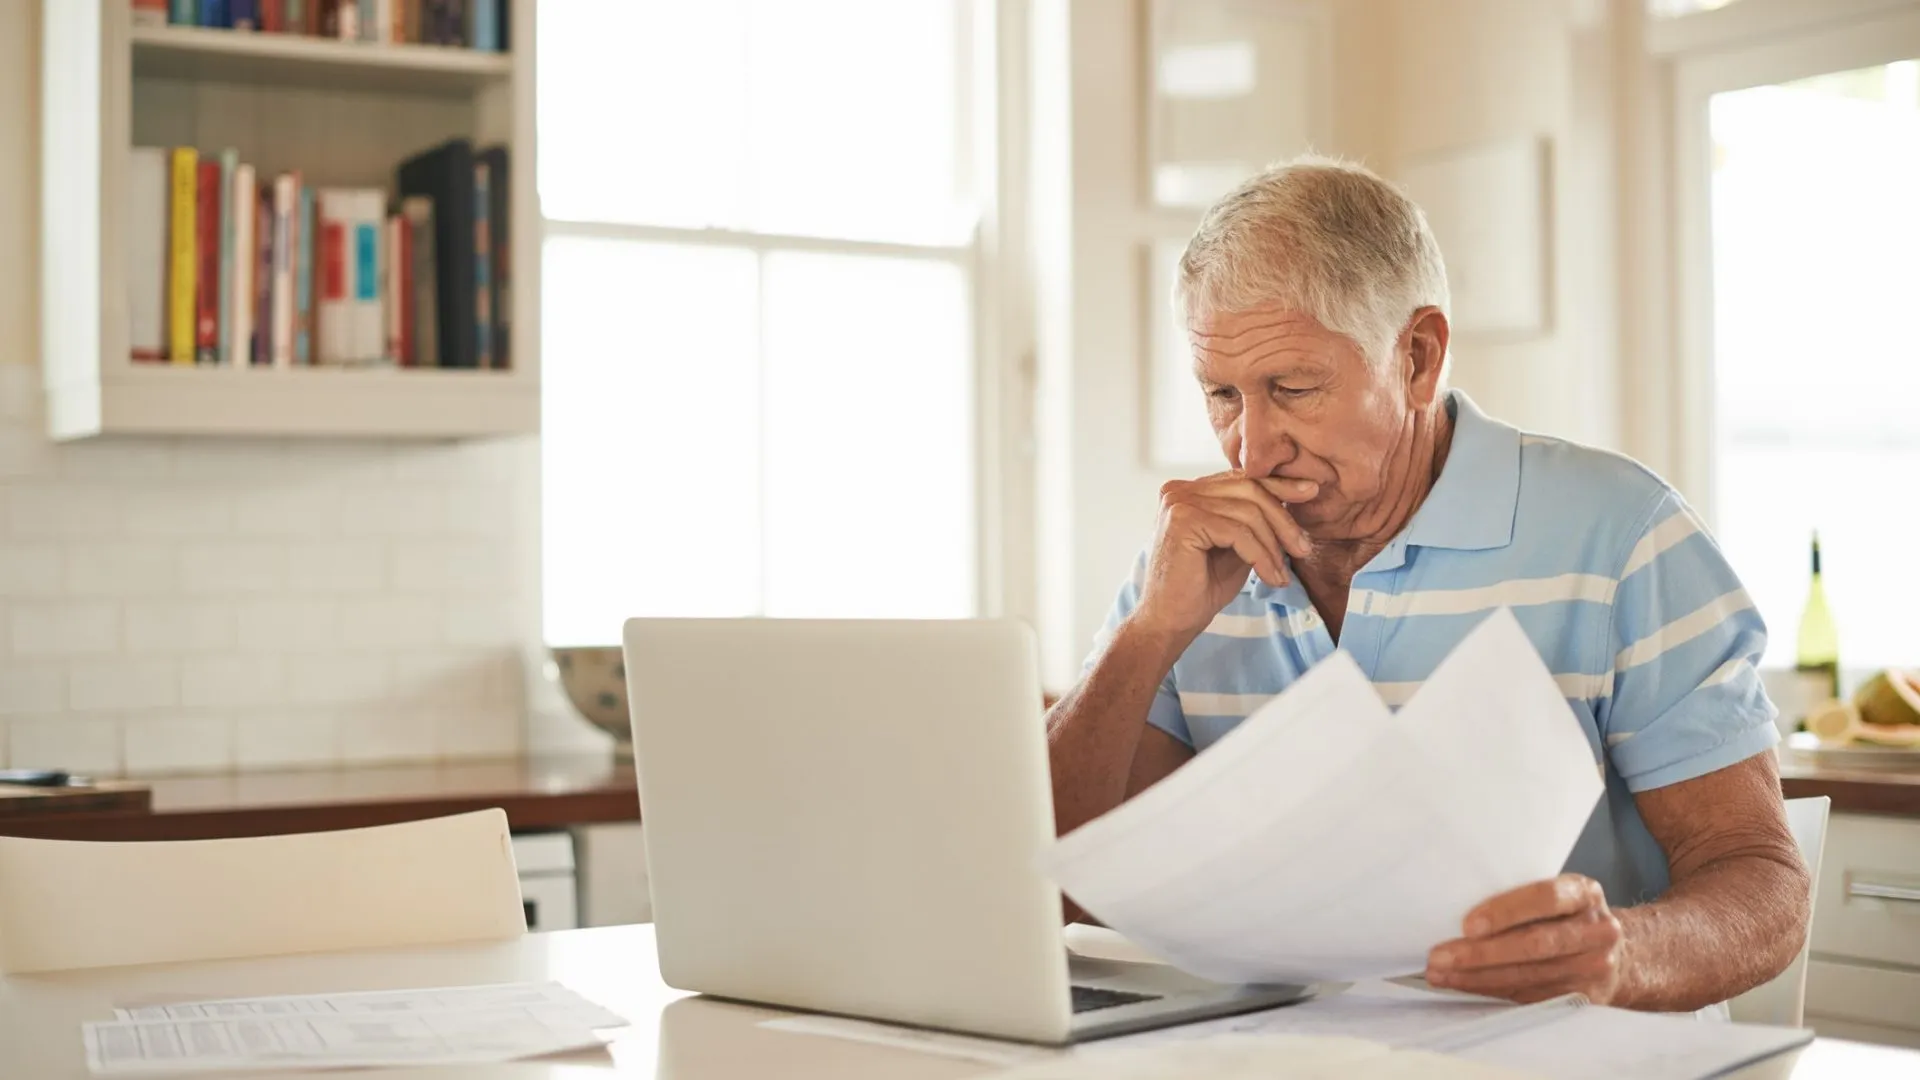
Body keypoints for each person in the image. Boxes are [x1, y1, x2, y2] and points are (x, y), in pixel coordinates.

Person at [1045, 156, 1810, 1011]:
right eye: (1222, 393)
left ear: (1416, 357)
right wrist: (1147, 635)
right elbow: (1057, 891)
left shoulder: (1623, 535)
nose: (1249, 449)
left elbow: (1764, 883)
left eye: (1292, 389)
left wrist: (1619, 956)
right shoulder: (1188, 562)